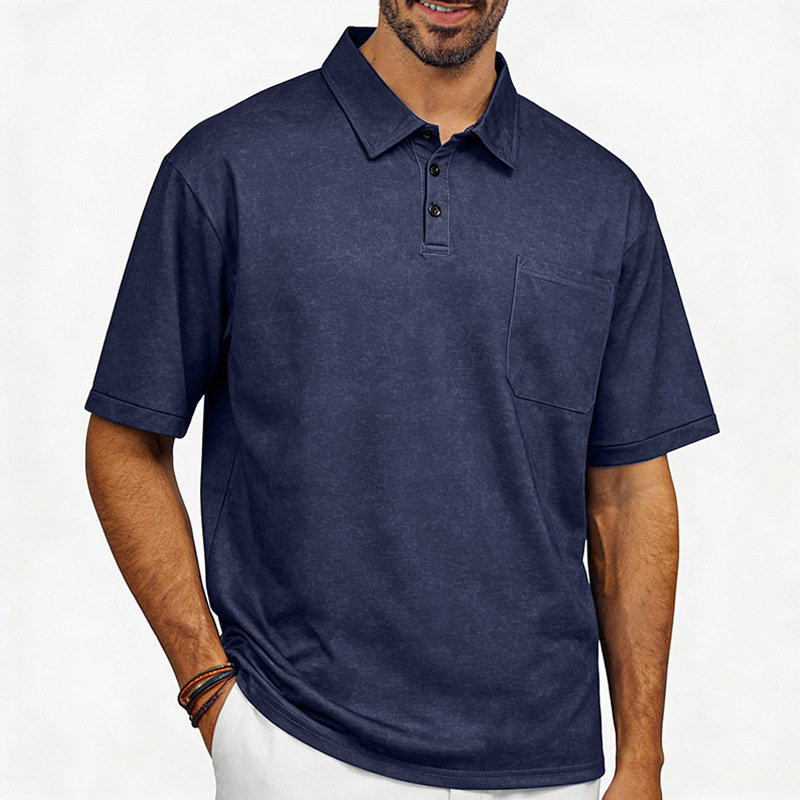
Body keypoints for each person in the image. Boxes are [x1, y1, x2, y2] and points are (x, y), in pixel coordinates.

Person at [84, 2, 720, 799]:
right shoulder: (226, 166)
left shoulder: (602, 199)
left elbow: (628, 493)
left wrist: (642, 759)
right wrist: (211, 692)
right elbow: (125, 441)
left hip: (547, 763)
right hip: (304, 744)